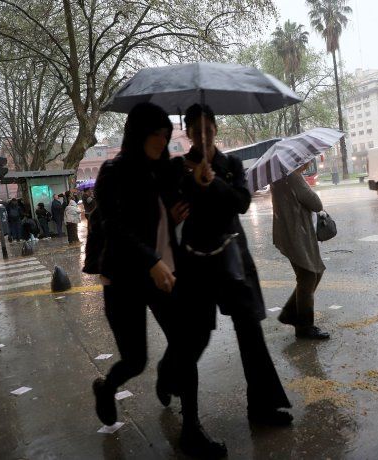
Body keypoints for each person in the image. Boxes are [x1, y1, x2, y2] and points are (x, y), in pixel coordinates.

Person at [91, 102, 223, 458]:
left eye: (167, 135)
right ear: (138, 134)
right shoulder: (113, 172)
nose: (162, 141)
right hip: (124, 279)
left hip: (164, 273)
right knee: (135, 361)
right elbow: (114, 226)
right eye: (156, 134)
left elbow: (181, 198)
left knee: (184, 346)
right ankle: (107, 387)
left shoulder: (167, 170)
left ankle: (192, 431)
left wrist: (198, 183)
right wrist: (150, 260)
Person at [178, 103, 292, 428]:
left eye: (208, 128)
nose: (203, 135)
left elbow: (242, 203)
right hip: (196, 265)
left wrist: (213, 181)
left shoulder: (231, 164)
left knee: (251, 334)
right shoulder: (180, 167)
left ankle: (262, 408)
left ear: (216, 128)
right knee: (194, 339)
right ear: (187, 133)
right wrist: (191, 181)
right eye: (196, 130)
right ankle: (183, 408)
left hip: (233, 259)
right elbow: (174, 206)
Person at [271, 163, 330, 339]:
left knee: (311, 275)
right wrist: (306, 185)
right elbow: (316, 203)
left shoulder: (280, 177)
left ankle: (290, 313)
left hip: (291, 233)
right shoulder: (293, 177)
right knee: (309, 276)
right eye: (306, 160)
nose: (308, 162)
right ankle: (305, 327)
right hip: (297, 235)